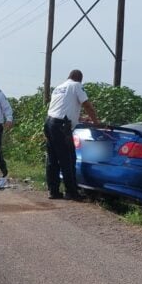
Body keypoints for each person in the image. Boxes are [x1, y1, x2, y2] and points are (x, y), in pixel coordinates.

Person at [45, 69, 99, 200]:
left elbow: (64, 109)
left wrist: (80, 119)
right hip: (61, 127)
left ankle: (54, 191)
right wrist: (96, 122)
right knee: (68, 159)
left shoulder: (59, 87)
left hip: (49, 123)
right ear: (79, 79)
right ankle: (72, 192)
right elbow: (87, 105)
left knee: (52, 159)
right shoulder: (76, 85)